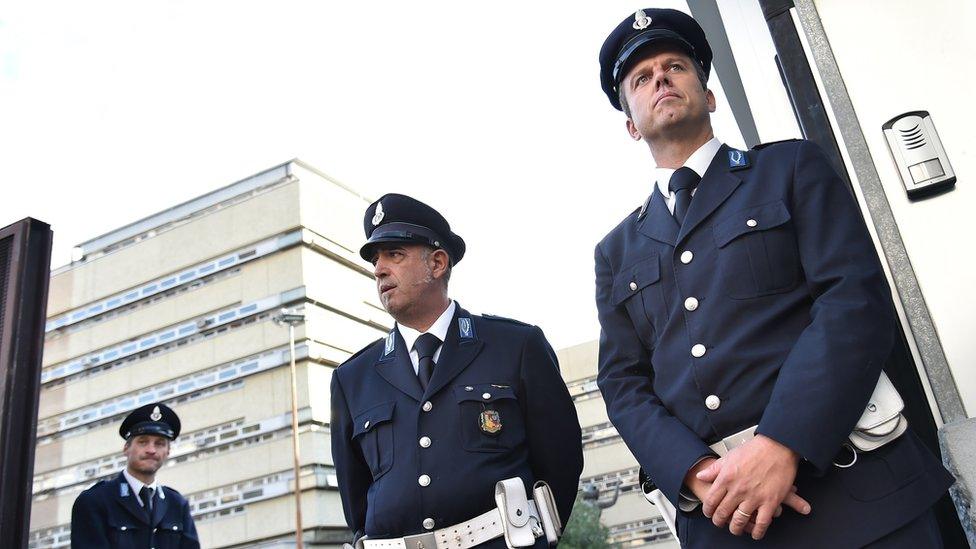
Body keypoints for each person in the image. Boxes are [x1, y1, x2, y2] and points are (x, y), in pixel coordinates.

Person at [593, 8, 953, 547]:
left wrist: (783, 442)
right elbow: (623, 384)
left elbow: (853, 303)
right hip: (724, 519)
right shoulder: (615, 250)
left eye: (675, 66)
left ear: (709, 95)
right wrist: (693, 471)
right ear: (630, 123)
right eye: (641, 78)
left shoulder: (790, 169)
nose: (660, 79)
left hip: (857, 493)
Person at [331, 193, 583, 548]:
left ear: (437, 263)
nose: (379, 269)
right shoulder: (352, 378)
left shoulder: (515, 347)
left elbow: (560, 463)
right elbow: (356, 502)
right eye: (376, 259)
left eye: (395, 254)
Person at [71, 402, 199, 548]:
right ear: (126, 448)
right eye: (143, 442)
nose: (151, 450)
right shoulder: (95, 500)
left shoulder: (177, 504)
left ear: (168, 451)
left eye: (159, 443)